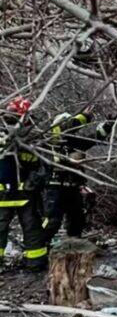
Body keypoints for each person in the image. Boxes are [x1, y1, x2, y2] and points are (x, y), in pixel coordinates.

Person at [41, 110, 113, 243]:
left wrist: (108, 125)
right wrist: (85, 116)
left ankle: (73, 250)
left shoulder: (75, 141)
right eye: (68, 125)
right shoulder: (50, 141)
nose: (71, 128)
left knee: (77, 221)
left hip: (73, 188)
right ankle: (40, 249)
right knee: (52, 222)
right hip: (54, 189)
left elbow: (97, 137)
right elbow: (63, 128)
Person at [0, 97, 48, 270]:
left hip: (20, 193)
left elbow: (43, 166)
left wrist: (35, 182)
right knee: (31, 227)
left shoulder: (35, 138)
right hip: (16, 193)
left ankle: (36, 262)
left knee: (30, 228)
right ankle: (36, 263)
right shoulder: (31, 137)